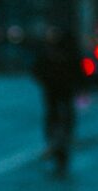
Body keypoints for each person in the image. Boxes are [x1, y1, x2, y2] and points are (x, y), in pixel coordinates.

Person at [32, 28, 84, 176]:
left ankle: (52, 141)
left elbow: (37, 70)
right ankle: (61, 137)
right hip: (61, 92)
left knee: (53, 114)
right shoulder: (72, 54)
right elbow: (81, 73)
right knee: (63, 115)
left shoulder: (50, 53)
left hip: (54, 92)